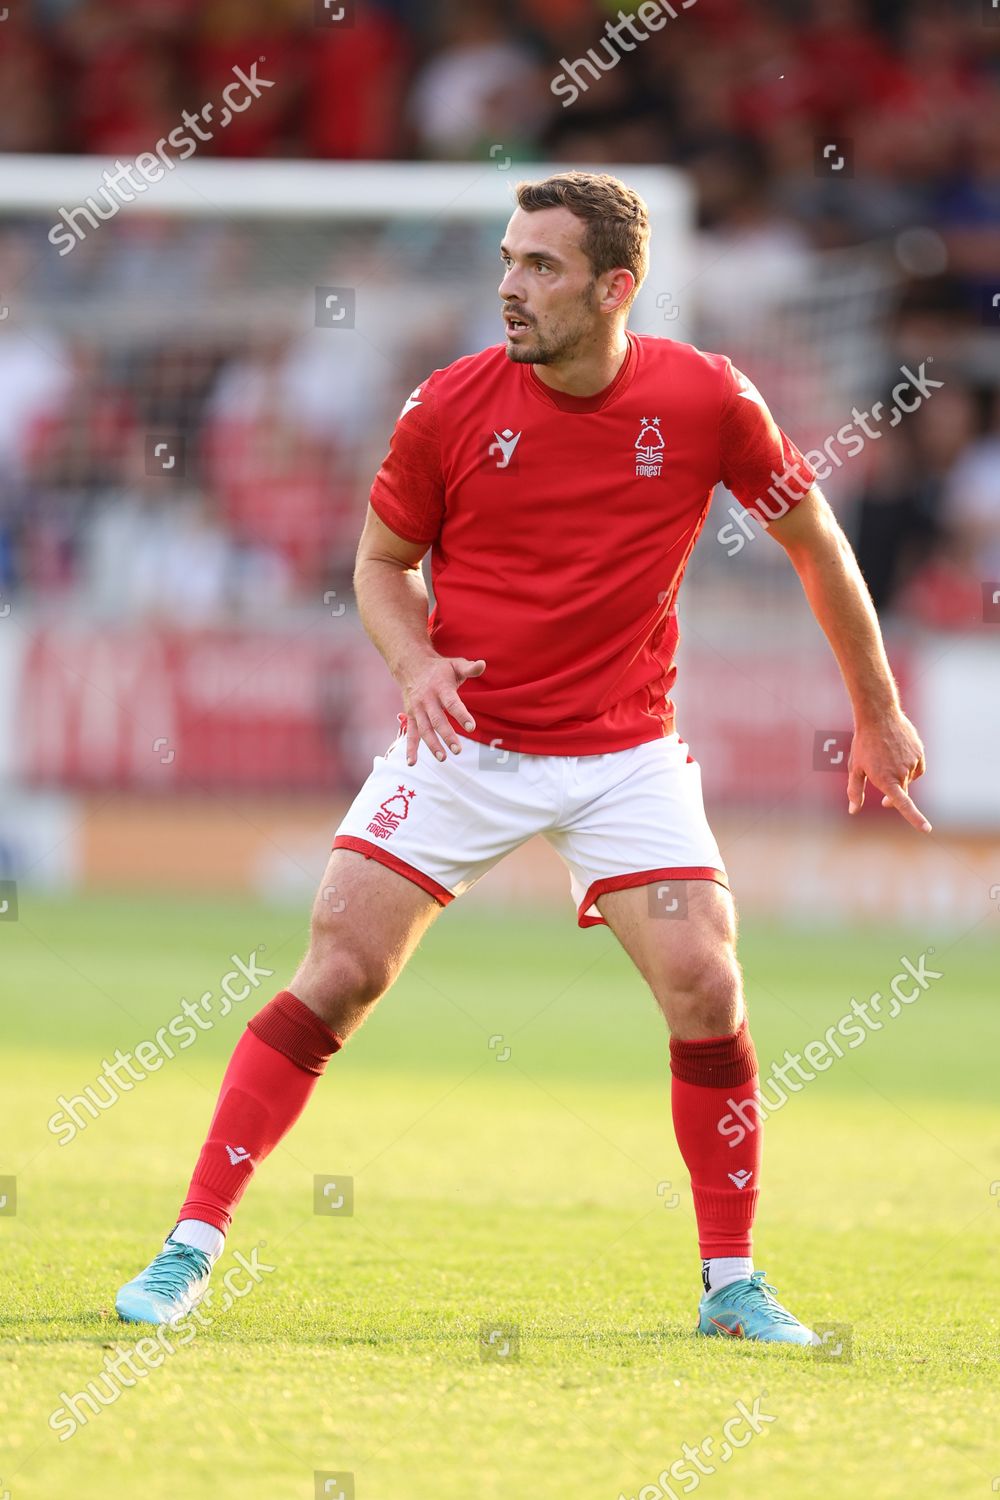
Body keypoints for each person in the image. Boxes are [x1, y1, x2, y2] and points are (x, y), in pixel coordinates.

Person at [117, 171, 929, 1342]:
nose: (509, 286)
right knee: (341, 968)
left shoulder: (705, 398)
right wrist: (417, 669)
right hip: (463, 741)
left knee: (706, 982)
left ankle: (730, 1283)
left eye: (539, 267)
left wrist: (877, 709)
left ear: (616, 287)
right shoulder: (447, 407)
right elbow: (379, 568)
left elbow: (814, 541)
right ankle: (189, 1247)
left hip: (623, 751)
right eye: (506, 260)